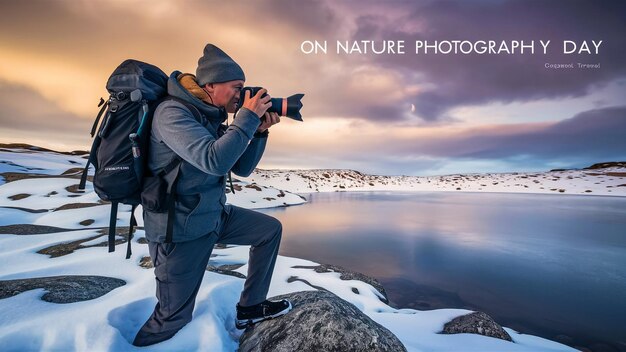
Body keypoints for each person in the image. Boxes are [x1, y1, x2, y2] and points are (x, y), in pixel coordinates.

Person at [133, 44, 292, 347]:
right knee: (172, 317)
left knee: (269, 230)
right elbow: (213, 160)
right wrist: (245, 118)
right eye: (237, 87)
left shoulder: (211, 116)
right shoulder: (172, 114)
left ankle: (250, 309)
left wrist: (257, 132)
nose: (241, 95)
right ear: (210, 85)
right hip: (179, 229)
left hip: (212, 216)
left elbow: (240, 167)